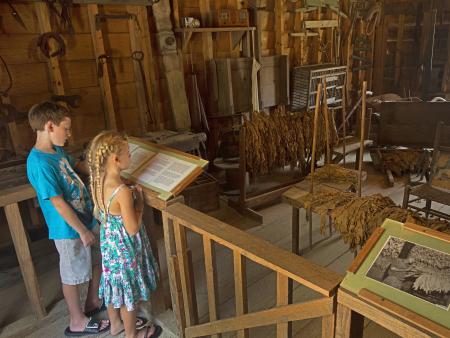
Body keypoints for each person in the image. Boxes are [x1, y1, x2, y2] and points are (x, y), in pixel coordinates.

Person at [26, 101, 109, 336]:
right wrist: (81, 231)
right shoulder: (39, 163)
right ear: (50, 126)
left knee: (97, 259)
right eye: (66, 128)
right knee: (72, 275)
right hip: (69, 229)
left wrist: (100, 171)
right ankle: (76, 320)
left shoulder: (57, 151)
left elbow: (77, 167)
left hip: (86, 218)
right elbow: (58, 202)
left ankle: (93, 302)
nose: (69, 134)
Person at [88, 130, 161, 338]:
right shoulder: (122, 191)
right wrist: (139, 206)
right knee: (129, 296)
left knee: (114, 288)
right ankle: (132, 335)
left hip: (110, 246)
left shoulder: (99, 181)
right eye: (129, 153)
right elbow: (132, 228)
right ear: (115, 158)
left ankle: (115, 325)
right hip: (125, 250)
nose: (131, 156)